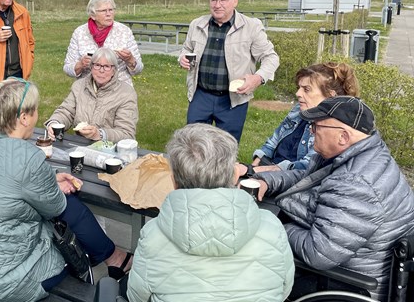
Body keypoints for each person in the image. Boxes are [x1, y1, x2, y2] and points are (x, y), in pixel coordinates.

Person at [0, 78, 133, 302]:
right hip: (8, 280)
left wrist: (49, 178)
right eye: (35, 110)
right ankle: (112, 261)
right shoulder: (27, 158)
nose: (37, 115)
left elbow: (0, 178)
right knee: (70, 223)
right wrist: (52, 184)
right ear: (24, 117)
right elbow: (56, 207)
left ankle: (113, 257)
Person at [254, 96, 414, 300]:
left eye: (316, 126)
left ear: (343, 137)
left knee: (247, 265)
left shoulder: (356, 183)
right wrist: (267, 181)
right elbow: (308, 178)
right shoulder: (362, 154)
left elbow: (318, 253)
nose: (311, 132)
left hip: (344, 284)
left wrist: (272, 226)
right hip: (344, 258)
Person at [127, 123, 294, 302]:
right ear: (235, 176)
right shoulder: (272, 227)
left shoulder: (153, 235)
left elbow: (136, 297)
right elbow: (284, 289)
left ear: (173, 181)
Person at [179, 0, 279, 142]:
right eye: (214, 0)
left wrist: (258, 78)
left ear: (235, 1)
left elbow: (271, 57)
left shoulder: (251, 27)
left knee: (227, 148)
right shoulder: (197, 24)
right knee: (193, 145)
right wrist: (182, 57)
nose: (217, 5)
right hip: (201, 96)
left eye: (223, 0)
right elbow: (186, 49)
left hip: (233, 100)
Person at [237, 62, 359, 175]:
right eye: (299, 88)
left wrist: (253, 171)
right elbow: (272, 142)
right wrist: (252, 168)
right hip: (267, 170)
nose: (298, 94)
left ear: (330, 95)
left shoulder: (331, 128)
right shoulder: (299, 110)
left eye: (306, 89)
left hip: (290, 180)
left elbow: (305, 168)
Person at [47, 48, 138, 143]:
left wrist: (100, 134)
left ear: (114, 70)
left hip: (110, 149)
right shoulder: (79, 86)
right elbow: (66, 111)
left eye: (107, 66)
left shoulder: (126, 93)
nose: (101, 70)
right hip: (80, 144)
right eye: (97, 65)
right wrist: (54, 123)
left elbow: (127, 133)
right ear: (91, 67)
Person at [63, 0, 143, 86]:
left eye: (111, 10)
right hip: (87, 89)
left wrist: (130, 59)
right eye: (104, 11)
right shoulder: (80, 32)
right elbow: (67, 68)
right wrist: (81, 65)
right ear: (93, 15)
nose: (108, 14)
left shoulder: (124, 31)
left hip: (119, 89)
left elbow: (138, 69)